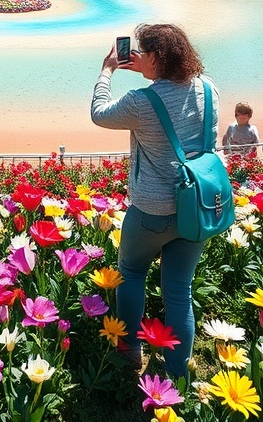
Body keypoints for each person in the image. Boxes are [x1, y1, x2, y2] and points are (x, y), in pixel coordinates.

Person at [90, 23, 219, 375]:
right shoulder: (208, 89)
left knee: (131, 272)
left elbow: (99, 113)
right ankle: (179, 371)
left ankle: (130, 348)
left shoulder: (141, 102)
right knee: (179, 290)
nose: (134, 55)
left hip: (151, 209)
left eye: (142, 52)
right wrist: (149, 74)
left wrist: (107, 71)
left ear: (157, 57)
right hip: (197, 208)